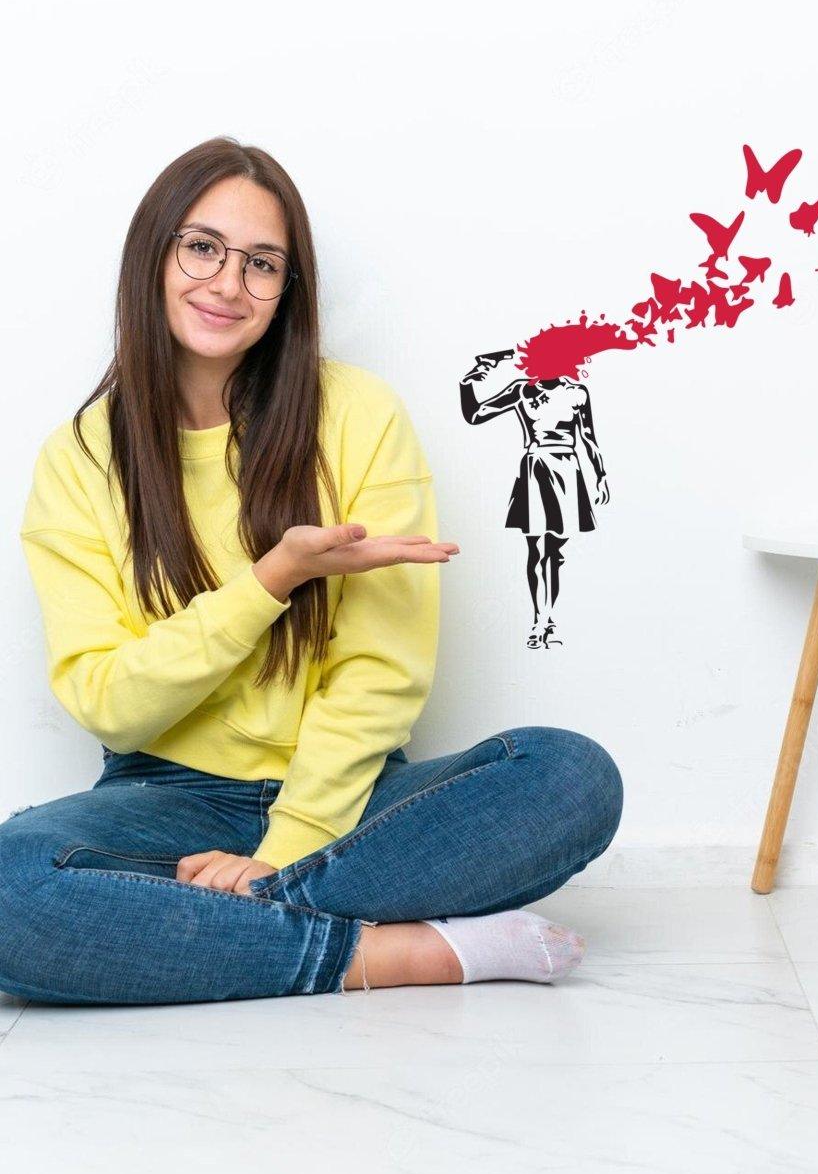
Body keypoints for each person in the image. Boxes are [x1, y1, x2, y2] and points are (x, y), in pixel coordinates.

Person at [0, 137, 623, 1005]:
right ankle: (397, 955)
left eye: (262, 264)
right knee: (10, 888)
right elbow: (111, 702)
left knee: (570, 776)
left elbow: (382, 672)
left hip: (353, 793)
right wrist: (271, 581)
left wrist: (281, 851)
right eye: (203, 247)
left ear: (288, 292)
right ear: (154, 254)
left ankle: (232, 924)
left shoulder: (359, 416)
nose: (227, 284)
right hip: (164, 797)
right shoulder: (81, 458)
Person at [458, 351, 610, 649]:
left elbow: (588, 438)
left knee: (556, 548)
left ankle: (547, 615)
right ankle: (541, 620)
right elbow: (475, 415)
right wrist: (467, 383)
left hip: (568, 468)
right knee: (537, 548)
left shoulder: (576, 392)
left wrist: (600, 474)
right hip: (536, 467)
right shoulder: (521, 389)